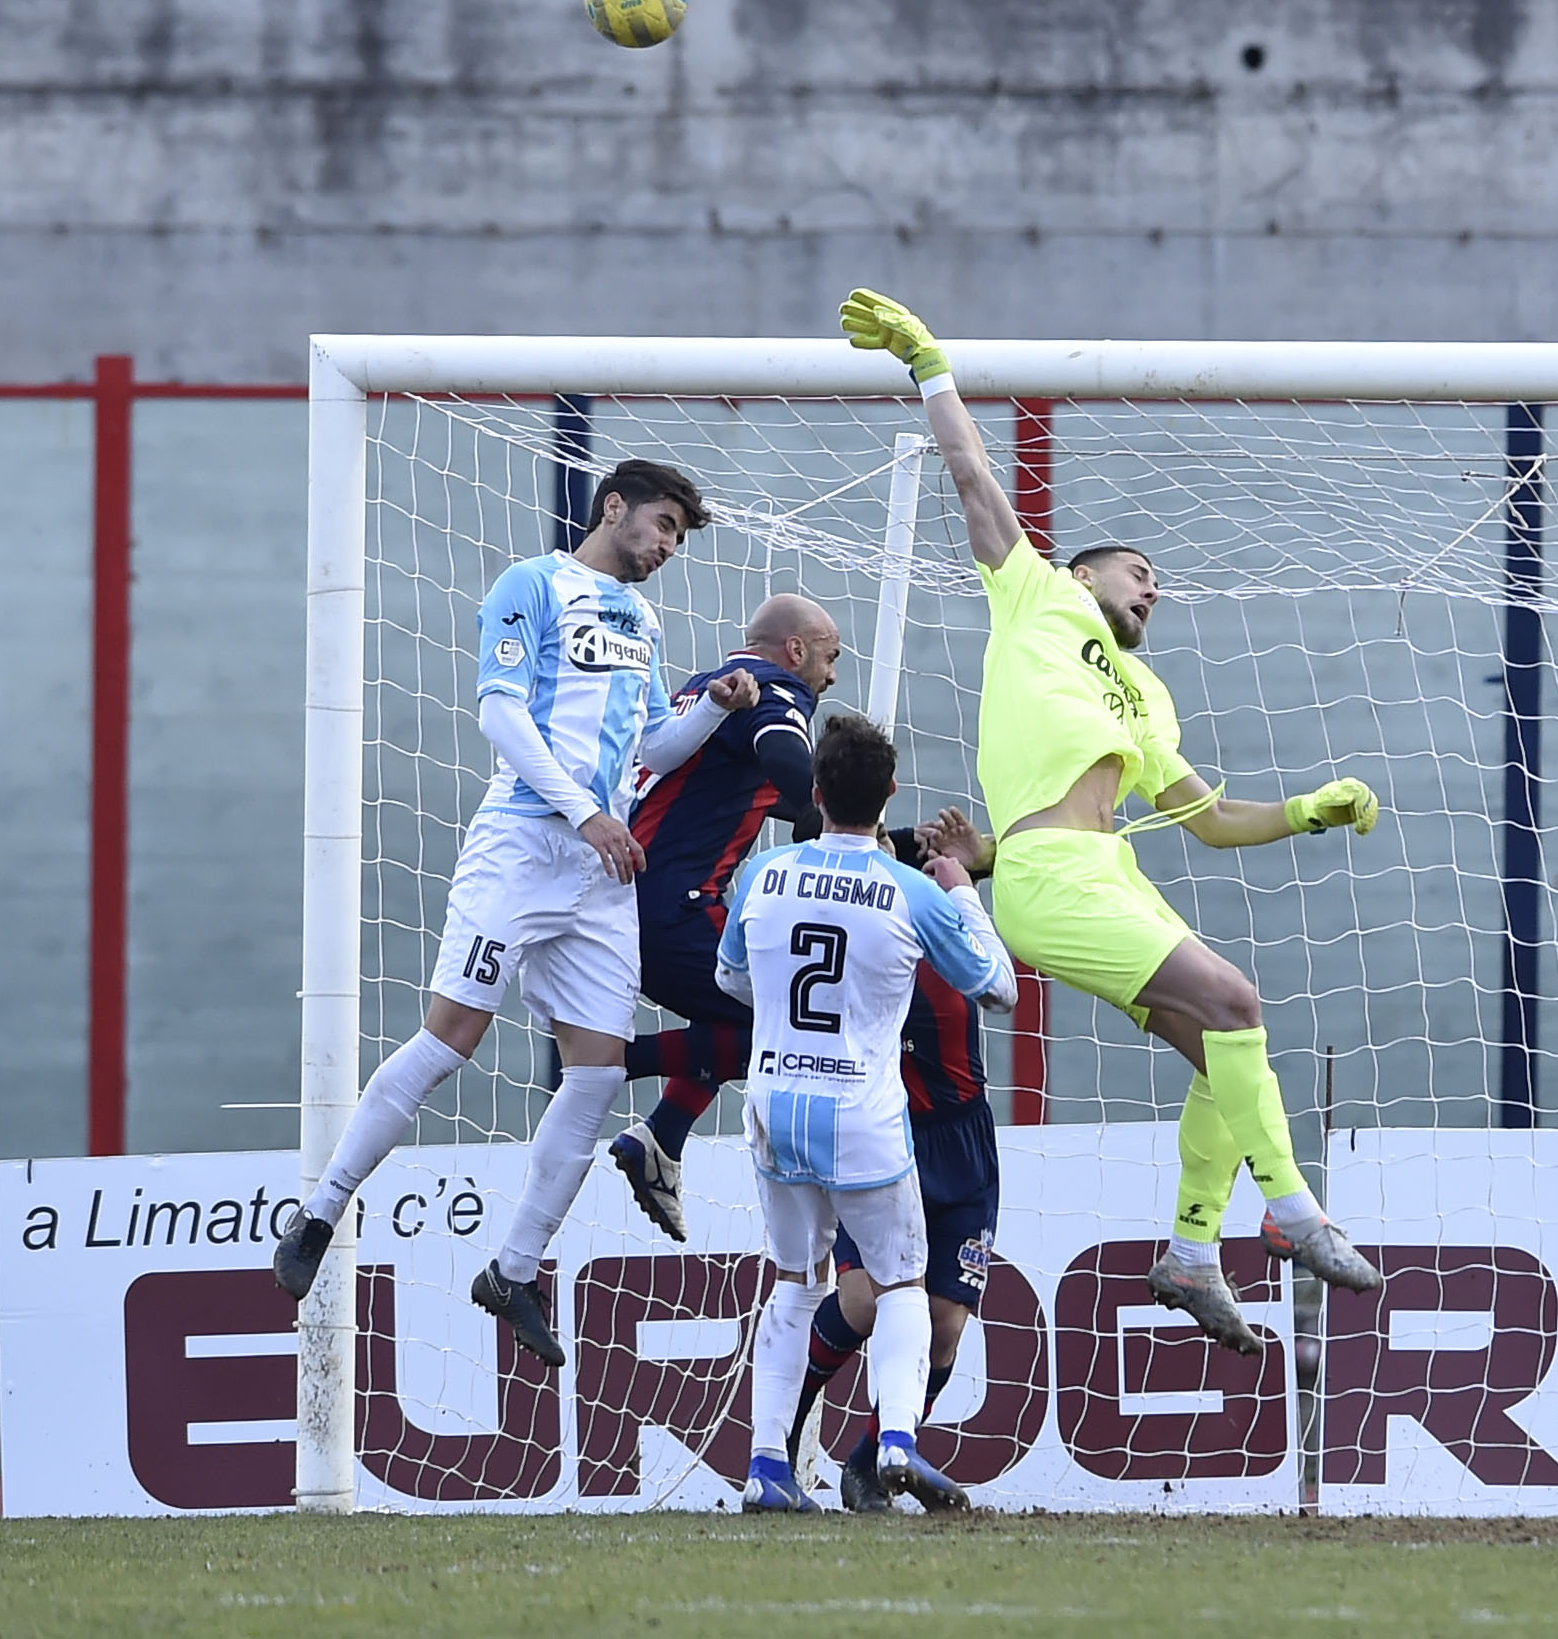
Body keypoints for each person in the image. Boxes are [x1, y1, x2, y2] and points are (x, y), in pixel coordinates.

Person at [842, 288, 1383, 1352]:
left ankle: (1189, 1252)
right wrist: (931, 365)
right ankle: (1294, 1213)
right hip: (1051, 877)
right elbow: (973, 475)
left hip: (1106, 875)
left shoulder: (1146, 701)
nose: (1154, 588)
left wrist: (1313, 810)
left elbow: (1214, 820)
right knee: (1235, 997)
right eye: (1139, 571)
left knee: (1230, 1051)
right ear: (1081, 571)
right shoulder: (1035, 594)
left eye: (1160, 584)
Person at [273, 461, 758, 1366]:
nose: (665, 548)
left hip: (601, 870)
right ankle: (320, 1211)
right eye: (660, 526)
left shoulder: (642, 619)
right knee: (451, 1039)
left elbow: (652, 742)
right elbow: (500, 714)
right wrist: (584, 811)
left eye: (678, 540)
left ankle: (514, 1268)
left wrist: (712, 715)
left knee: (596, 1073)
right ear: (612, 506)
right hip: (528, 848)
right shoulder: (531, 584)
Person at [730, 714, 1012, 1513]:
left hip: (780, 1105)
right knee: (895, 1289)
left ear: (813, 792)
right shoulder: (909, 894)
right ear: (887, 796)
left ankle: (774, 1470)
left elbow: (730, 982)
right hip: (867, 1116)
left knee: (797, 1285)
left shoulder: (764, 876)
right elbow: (999, 986)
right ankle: (892, 1446)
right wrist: (962, 890)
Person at [608, 594, 844, 1242]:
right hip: (669, 910)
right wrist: (827, 808)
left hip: (630, 903)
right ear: (796, 650)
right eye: (830, 657)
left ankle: (660, 1137)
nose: (832, 675)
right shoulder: (774, 692)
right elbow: (787, 763)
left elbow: (719, 792)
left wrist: (809, 812)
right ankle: (609, 1063)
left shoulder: (699, 692)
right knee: (792, 1030)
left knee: (738, 1016)